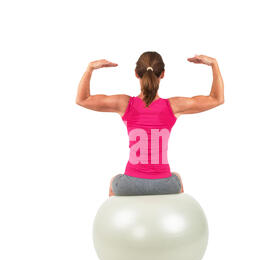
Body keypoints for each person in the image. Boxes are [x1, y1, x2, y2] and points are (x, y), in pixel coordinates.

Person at [75, 51, 224, 196]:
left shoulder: (124, 103)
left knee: (114, 181)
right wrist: (214, 64)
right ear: (163, 74)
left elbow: (82, 99)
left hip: (130, 185)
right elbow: (217, 99)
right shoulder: (174, 106)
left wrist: (90, 68)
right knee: (177, 177)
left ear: (136, 73)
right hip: (165, 185)